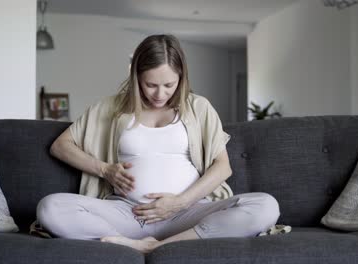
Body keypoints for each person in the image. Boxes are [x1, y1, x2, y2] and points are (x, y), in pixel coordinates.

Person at [36, 34, 280, 254]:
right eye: (150, 85)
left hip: (189, 213)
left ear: (181, 78)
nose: (160, 94)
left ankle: (161, 246)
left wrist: (179, 203)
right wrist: (105, 170)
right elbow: (61, 146)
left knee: (265, 206)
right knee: (50, 207)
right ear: (136, 77)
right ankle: (132, 243)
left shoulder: (199, 107)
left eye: (169, 85)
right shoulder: (111, 107)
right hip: (127, 213)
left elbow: (222, 166)